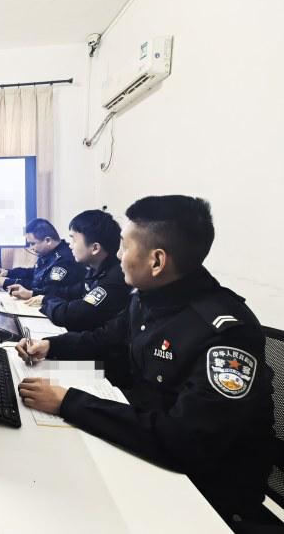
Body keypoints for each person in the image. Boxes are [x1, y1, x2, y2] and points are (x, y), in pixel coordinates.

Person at [14, 195, 274, 529]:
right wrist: (49, 346)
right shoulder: (149, 299)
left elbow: (185, 440)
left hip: (206, 492)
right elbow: (105, 337)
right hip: (151, 446)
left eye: (125, 246)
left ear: (157, 261)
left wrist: (69, 402)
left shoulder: (225, 333)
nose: (118, 256)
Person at [29, 209, 130, 331]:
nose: (70, 245)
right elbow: (70, 291)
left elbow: (70, 316)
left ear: (95, 248)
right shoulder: (95, 270)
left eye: (74, 240)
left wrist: (46, 300)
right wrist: (37, 295)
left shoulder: (113, 280)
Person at [0, 218, 83, 298]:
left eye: (33, 243)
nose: (31, 248)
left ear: (48, 240)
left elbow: (42, 287)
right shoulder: (48, 253)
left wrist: (7, 282)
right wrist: (8, 273)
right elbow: (34, 273)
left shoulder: (64, 260)